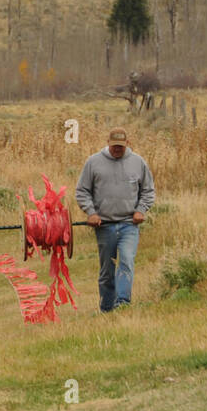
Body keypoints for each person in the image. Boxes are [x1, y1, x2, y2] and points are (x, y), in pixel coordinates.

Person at [75, 127, 155, 312]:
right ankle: (106, 308)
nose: (117, 149)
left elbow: (148, 191)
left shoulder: (138, 162)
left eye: (120, 146)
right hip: (104, 226)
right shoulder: (93, 163)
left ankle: (123, 305)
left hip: (129, 225)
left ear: (128, 143)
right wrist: (91, 213)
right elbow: (82, 191)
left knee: (126, 261)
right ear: (108, 143)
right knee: (107, 271)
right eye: (114, 146)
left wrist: (141, 210)